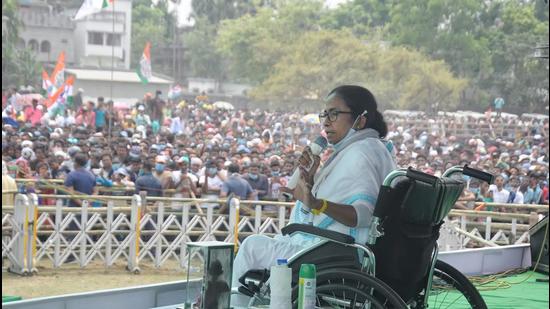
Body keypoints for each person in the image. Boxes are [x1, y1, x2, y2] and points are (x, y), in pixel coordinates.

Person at [231, 85, 396, 306]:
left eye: (334, 114)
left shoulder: (360, 154)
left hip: (338, 254)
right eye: (324, 114)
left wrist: (317, 202)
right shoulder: (368, 148)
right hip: (336, 249)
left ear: (360, 120)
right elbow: (319, 208)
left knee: (252, 247)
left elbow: (363, 215)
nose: (326, 121)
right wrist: (310, 182)